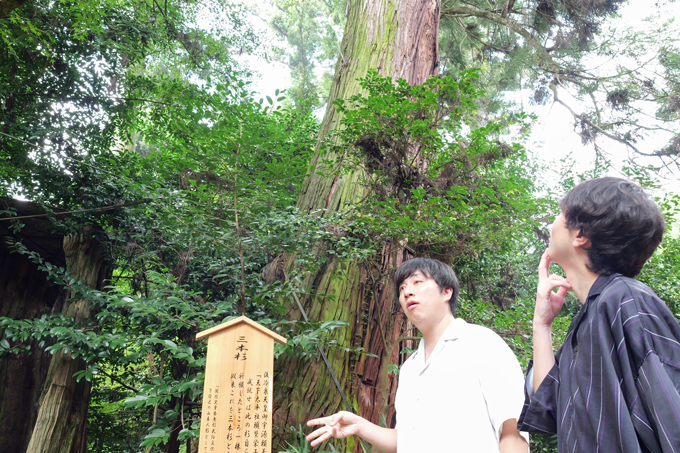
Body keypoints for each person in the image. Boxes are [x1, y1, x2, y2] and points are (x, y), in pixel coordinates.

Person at [518, 176, 680, 452]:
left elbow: (672, 418)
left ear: (580, 234)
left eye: (560, 214)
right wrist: (541, 324)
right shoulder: (591, 315)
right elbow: (551, 407)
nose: (553, 223)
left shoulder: (626, 301)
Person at [306, 258, 529, 453]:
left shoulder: (481, 343)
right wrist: (360, 425)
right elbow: (405, 439)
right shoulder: (409, 368)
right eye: (402, 288)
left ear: (446, 292)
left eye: (417, 282)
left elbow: (513, 430)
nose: (407, 292)